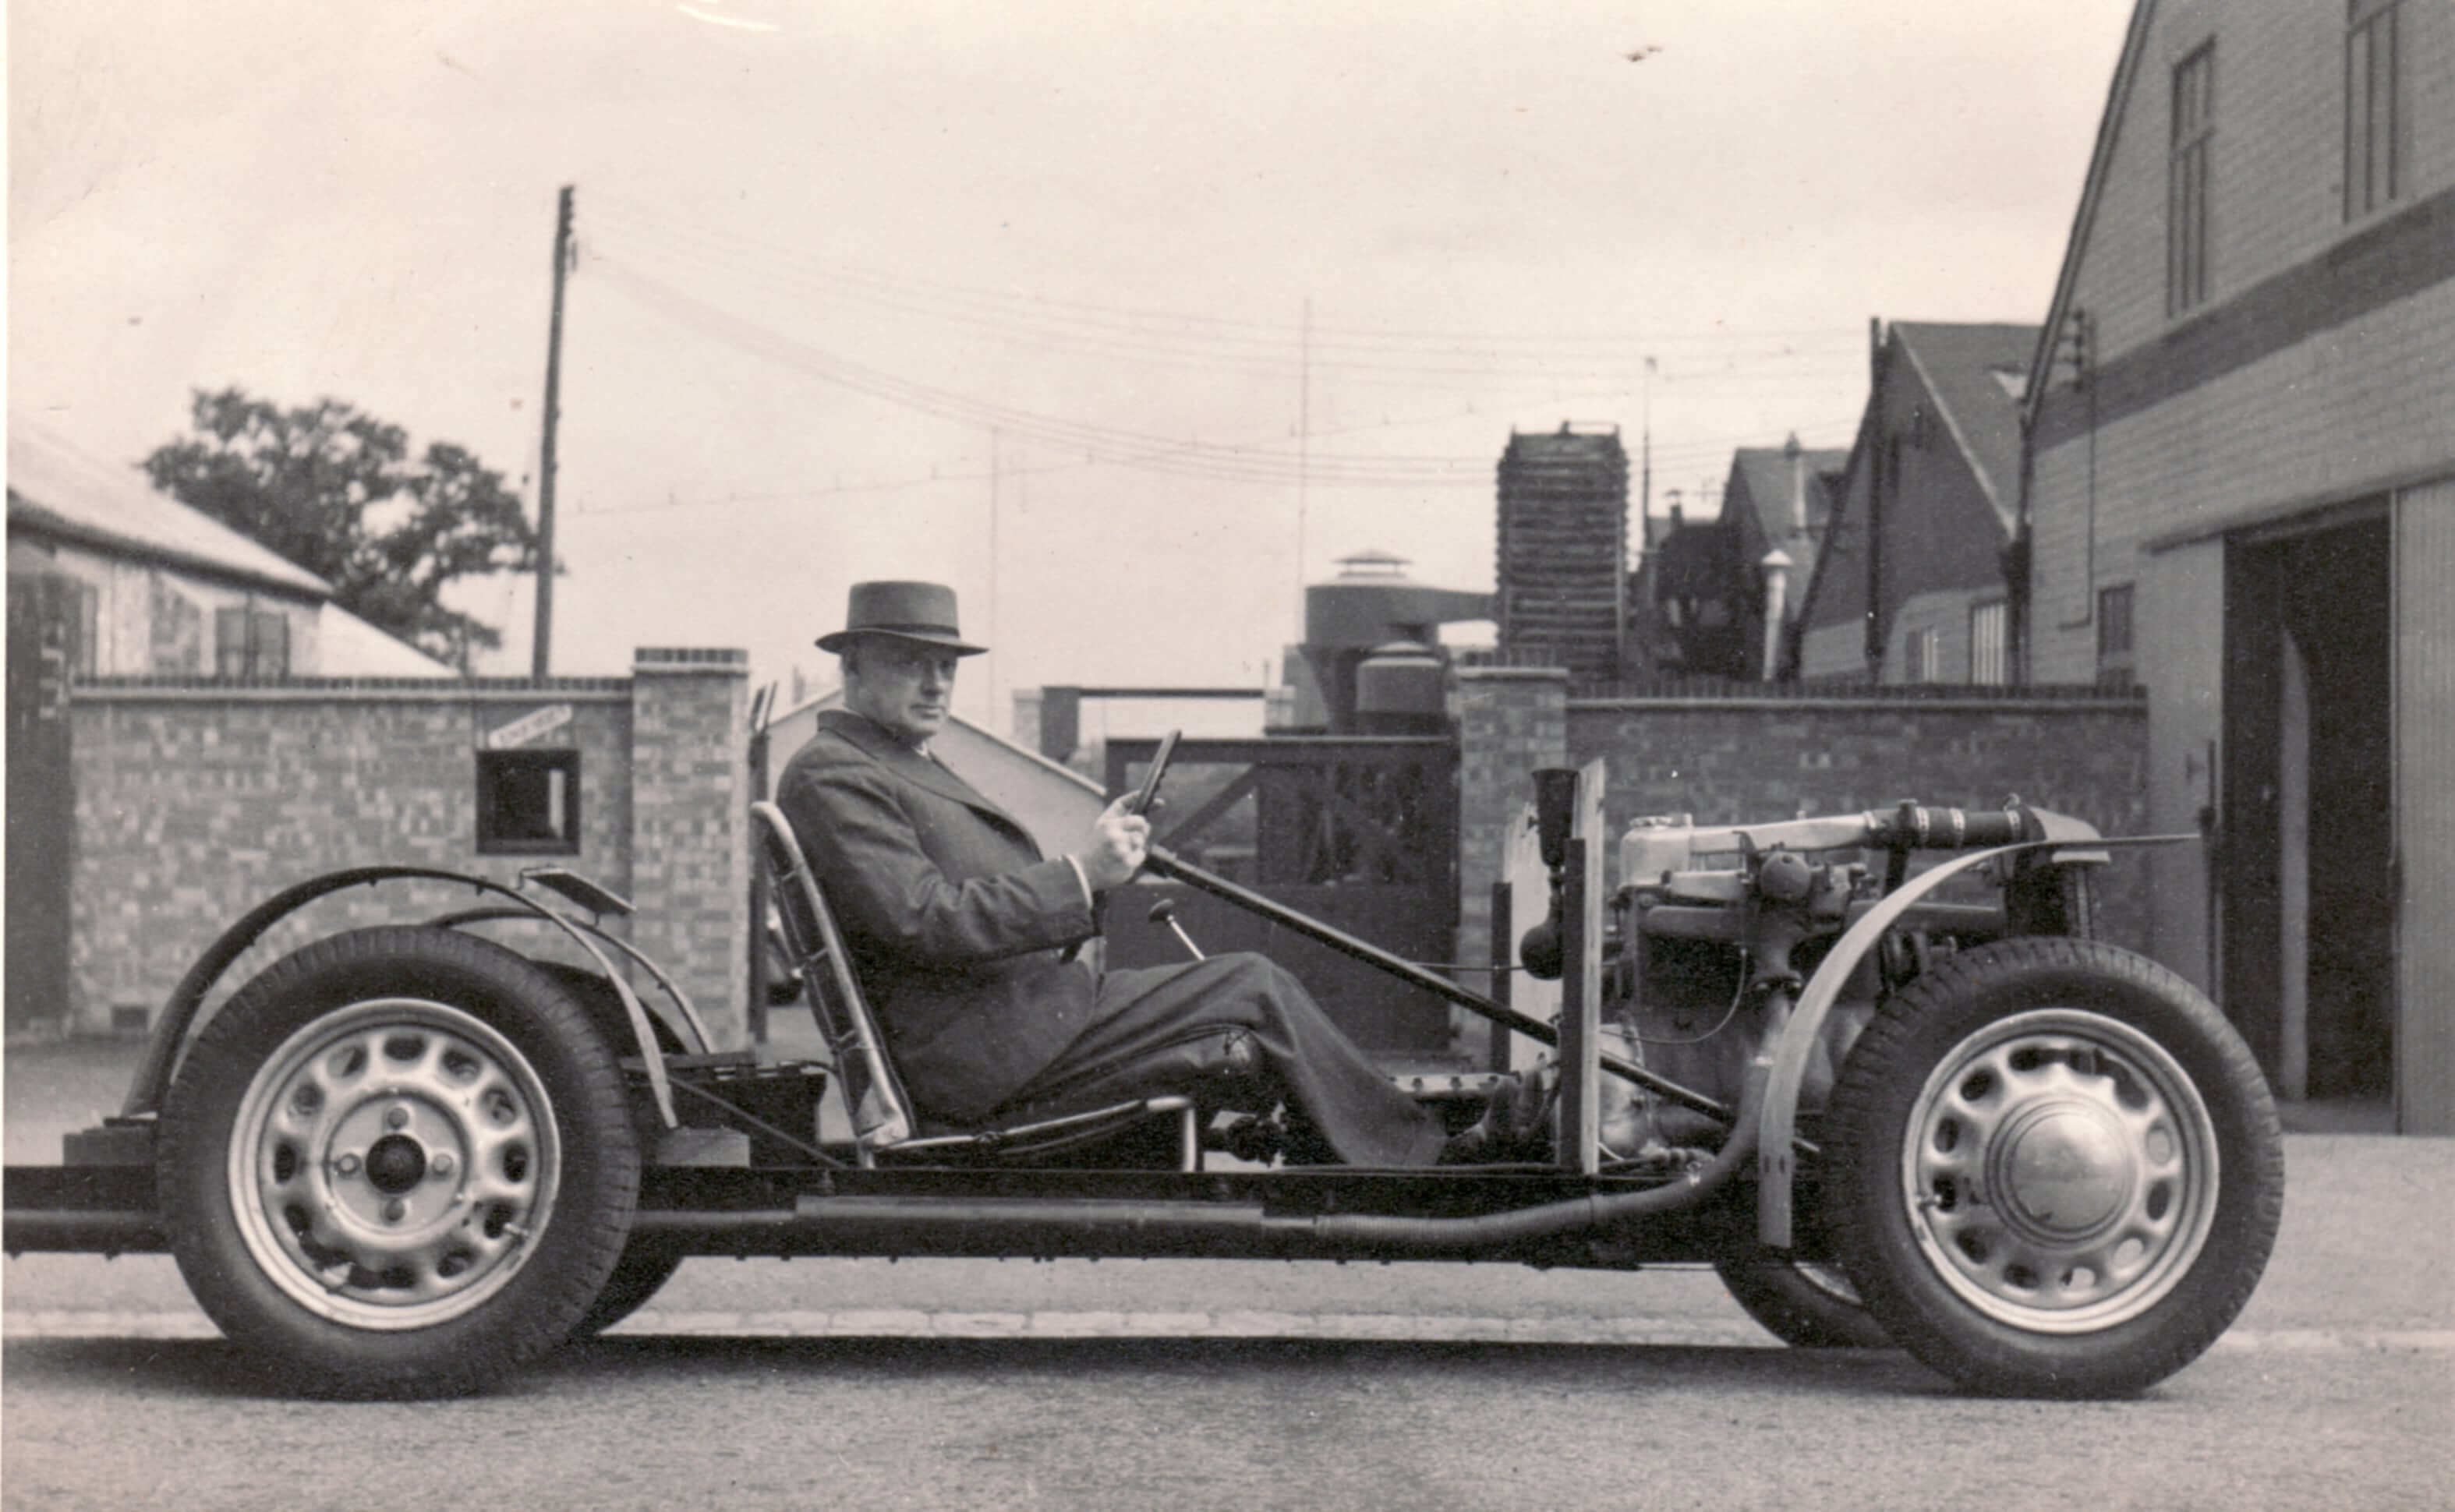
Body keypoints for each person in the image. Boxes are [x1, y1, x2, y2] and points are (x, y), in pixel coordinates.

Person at [775, 580, 1446, 1167]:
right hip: (983, 1052)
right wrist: (1081, 873)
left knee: (1246, 985)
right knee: (1252, 983)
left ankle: (1361, 1145)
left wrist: (1094, 870)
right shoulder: (836, 770)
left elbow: (955, 907)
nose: (935, 682)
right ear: (853, 669)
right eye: (909, 663)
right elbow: (923, 921)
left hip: (1017, 1020)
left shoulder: (893, 761)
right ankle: (1418, 1158)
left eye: (946, 664)